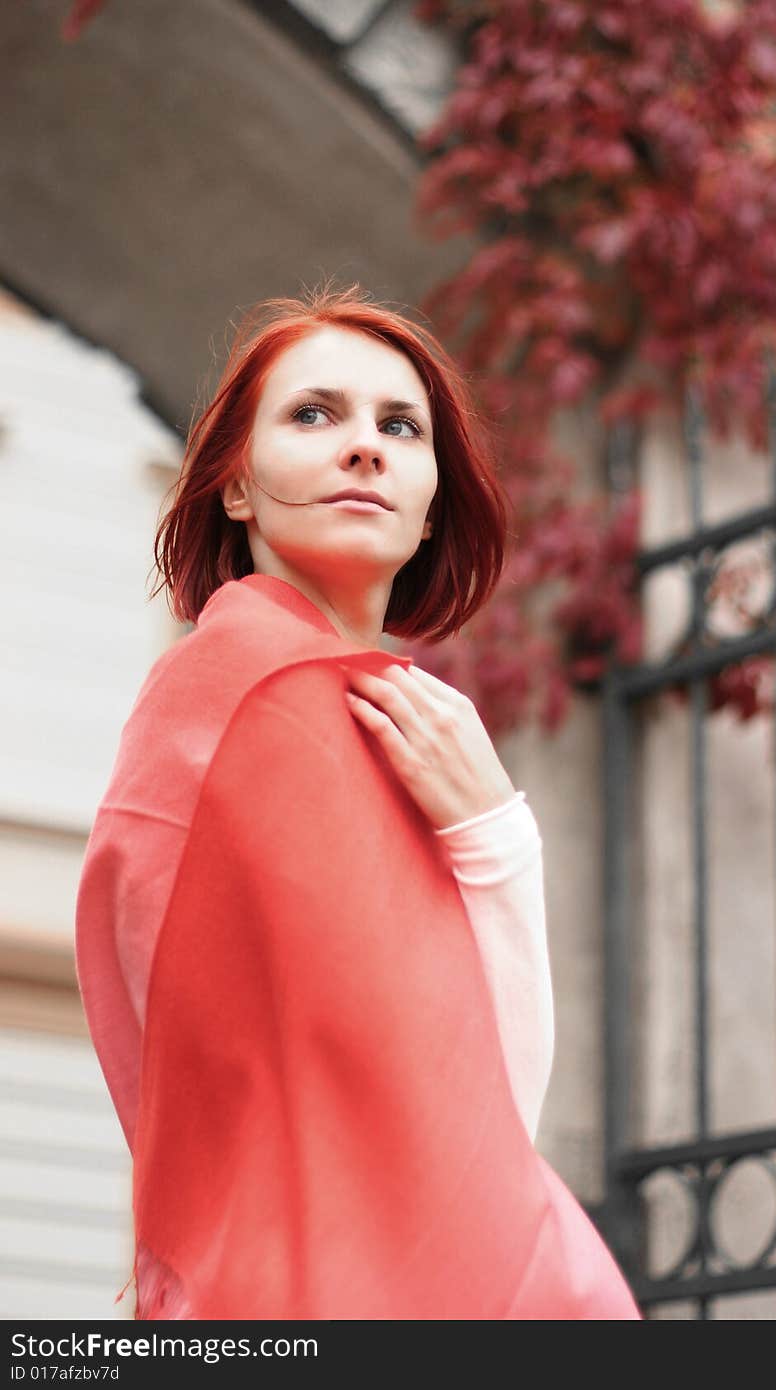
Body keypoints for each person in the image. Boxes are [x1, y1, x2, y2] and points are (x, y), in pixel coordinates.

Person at [74, 283, 641, 1320]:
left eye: (399, 425)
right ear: (235, 487)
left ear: (431, 502)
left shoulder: (410, 725)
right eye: (313, 414)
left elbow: (482, 1113)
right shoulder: (234, 693)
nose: (366, 446)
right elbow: (331, 1109)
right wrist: (495, 840)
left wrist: (491, 835)